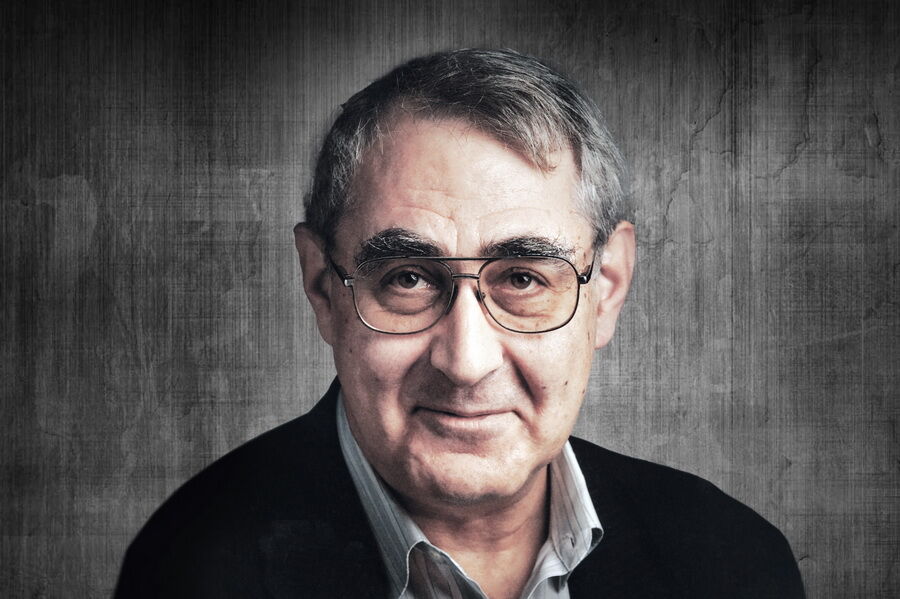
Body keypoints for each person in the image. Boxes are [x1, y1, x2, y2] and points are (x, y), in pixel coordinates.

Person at [114, 49, 805, 598]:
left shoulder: (734, 563)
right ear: (323, 287)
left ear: (608, 288)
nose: (466, 362)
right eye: (408, 279)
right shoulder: (190, 571)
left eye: (523, 278)